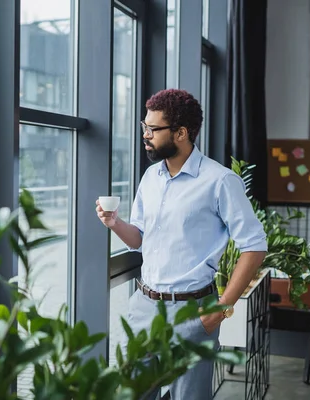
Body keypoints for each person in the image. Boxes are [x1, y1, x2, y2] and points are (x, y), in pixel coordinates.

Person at [96, 89, 267, 399]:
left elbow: (254, 247)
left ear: (181, 132)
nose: (145, 135)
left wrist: (219, 311)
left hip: (194, 312)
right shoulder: (150, 177)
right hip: (144, 308)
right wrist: (115, 223)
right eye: (143, 126)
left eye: (153, 129)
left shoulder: (220, 180)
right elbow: (140, 240)